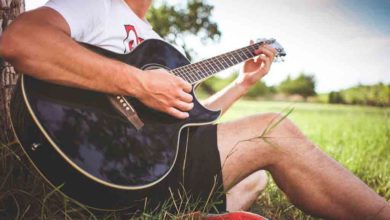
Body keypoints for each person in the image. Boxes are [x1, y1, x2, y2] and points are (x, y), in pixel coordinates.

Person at [1, 0, 389, 219]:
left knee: (255, 179)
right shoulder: (96, 5)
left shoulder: (162, 47)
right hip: (98, 156)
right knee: (274, 129)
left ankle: (184, 216)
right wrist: (138, 83)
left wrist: (243, 84)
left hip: (154, 164)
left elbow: (190, 123)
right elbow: (21, 41)